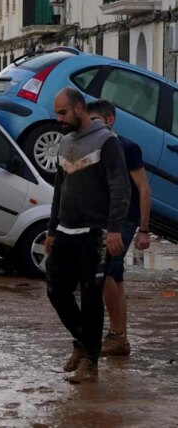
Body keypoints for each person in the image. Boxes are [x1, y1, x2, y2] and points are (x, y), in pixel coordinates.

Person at [44, 88, 131, 383]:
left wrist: (115, 229)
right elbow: (59, 189)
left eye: (63, 113)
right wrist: (52, 229)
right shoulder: (65, 142)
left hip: (96, 233)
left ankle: (90, 363)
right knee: (56, 290)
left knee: (93, 296)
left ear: (79, 108)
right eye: (57, 113)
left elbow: (121, 187)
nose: (59, 119)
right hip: (66, 231)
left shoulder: (107, 142)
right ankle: (83, 342)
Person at [87, 99, 151, 357]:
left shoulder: (127, 147)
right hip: (102, 220)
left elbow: (144, 188)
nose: (90, 127)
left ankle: (115, 334)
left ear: (109, 120)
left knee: (105, 274)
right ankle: (119, 336)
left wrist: (143, 230)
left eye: (95, 121)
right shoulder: (92, 147)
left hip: (124, 220)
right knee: (115, 275)